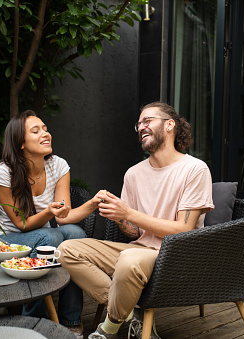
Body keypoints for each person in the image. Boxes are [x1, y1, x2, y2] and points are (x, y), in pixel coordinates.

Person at [56, 102, 214, 339]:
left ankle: (108, 327)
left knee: (128, 261)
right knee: (66, 250)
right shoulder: (134, 173)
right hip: (138, 250)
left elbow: (183, 229)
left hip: (174, 254)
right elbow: (133, 233)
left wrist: (128, 213)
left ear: (170, 125)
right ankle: (131, 314)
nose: (141, 127)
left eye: (148, 120)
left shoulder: (195, 170)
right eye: (139, 123)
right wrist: (119, 217)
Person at [0, 110, 104, 337]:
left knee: (76, 235)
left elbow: (63, 217)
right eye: (35, 131)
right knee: (51, 237)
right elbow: (21, 224)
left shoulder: (58, 165)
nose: (45, 134)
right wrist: (49, 211)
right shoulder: (4, 171)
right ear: (20, 143)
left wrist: (93, 204)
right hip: (2, 244)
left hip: (44, 239)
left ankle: (70, 321)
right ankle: (34, 324)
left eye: (45, 129)